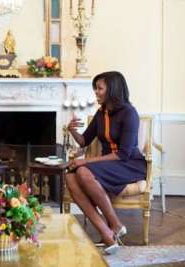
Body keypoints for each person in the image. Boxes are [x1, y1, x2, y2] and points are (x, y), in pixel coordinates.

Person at [66, 71, 146, 254]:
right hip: (109, 164)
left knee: (83, 171)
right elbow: (84, 141)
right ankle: (107, 234)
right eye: (96, 88)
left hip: (129, 164)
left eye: (99, 88)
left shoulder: (129, 113)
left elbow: (123, 154)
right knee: (70, 178)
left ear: (112, 90)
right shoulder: (101, 113)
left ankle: (116, 225)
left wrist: (84, 162)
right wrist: (71, 130)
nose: (96, 92)